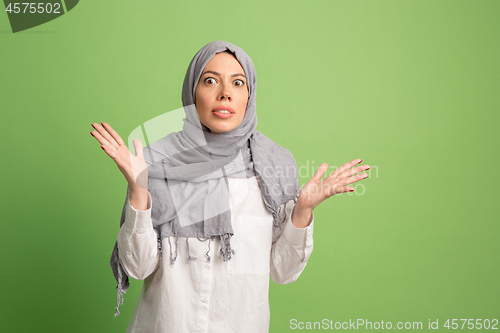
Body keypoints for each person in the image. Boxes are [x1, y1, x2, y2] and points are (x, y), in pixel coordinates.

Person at [90, 40, 370, 333]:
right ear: (191, 92)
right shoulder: (155, 161)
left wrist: (302, 212)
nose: (225, 93)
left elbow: (283, 272)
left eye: (238, 83)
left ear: (249, 95)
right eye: (210, 81)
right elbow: (138, 267)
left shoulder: (273, 166)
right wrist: (138, 191)